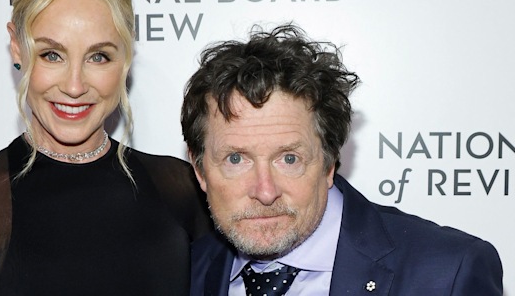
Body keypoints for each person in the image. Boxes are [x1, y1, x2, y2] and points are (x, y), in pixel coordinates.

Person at [0, 0, 211, 295]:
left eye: (98, 56)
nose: (74, 86)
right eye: (52, 55)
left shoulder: (181, 188)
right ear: (17, 47)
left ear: (126, 57)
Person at [181, 24, 503, 295]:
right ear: (200, 170)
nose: (265, 192)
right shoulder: (181, 275)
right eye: (236, 159)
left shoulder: (447, 275)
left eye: (289, 159)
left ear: (329, 163)